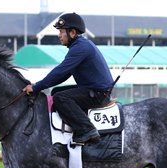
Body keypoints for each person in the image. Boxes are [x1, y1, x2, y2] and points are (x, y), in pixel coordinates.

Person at [23, 12, 114, 144]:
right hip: (93, 90)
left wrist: (36, 87)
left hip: (99, 94)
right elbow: (64, 74)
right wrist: (38, 85)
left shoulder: (80, 48)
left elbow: (60, 72)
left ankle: (87, 130)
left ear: (72, 32)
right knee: (56, 93)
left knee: (60, 98)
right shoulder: (79, 46)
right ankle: (61, 130)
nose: (59, 35)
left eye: (61, 32)